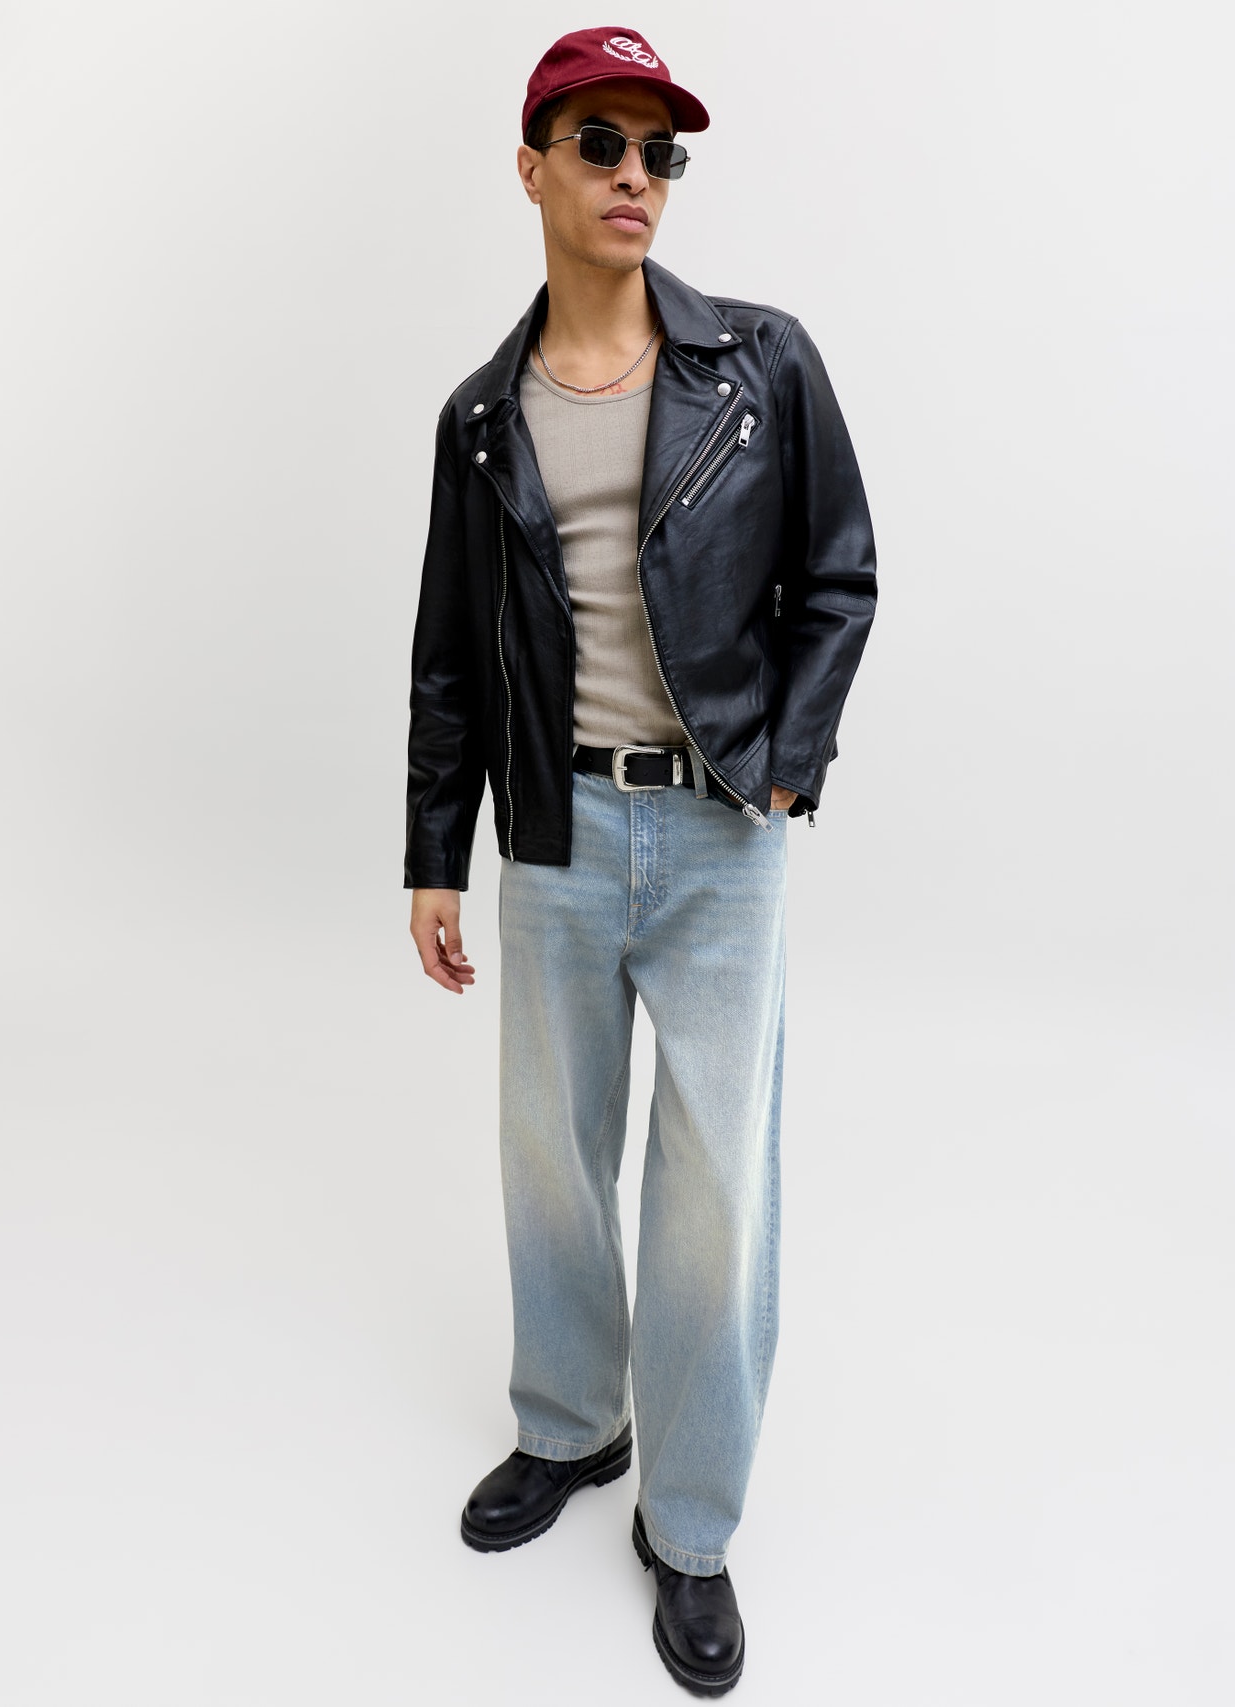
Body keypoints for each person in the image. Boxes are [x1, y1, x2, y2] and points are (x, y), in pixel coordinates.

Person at [403, 26, 878, 1696]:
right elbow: (449, 652)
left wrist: (789, 762)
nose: (634, 175)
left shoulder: (761, 364)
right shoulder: (482, 417)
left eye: (660, 150)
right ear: (531, 166)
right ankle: (569, 1425)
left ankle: (689, 1521)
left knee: (715, 1188)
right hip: (551, 826)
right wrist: (434, 853)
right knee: (550, 1156)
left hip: (722, 827)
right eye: (600, 142)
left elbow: (840, 576)